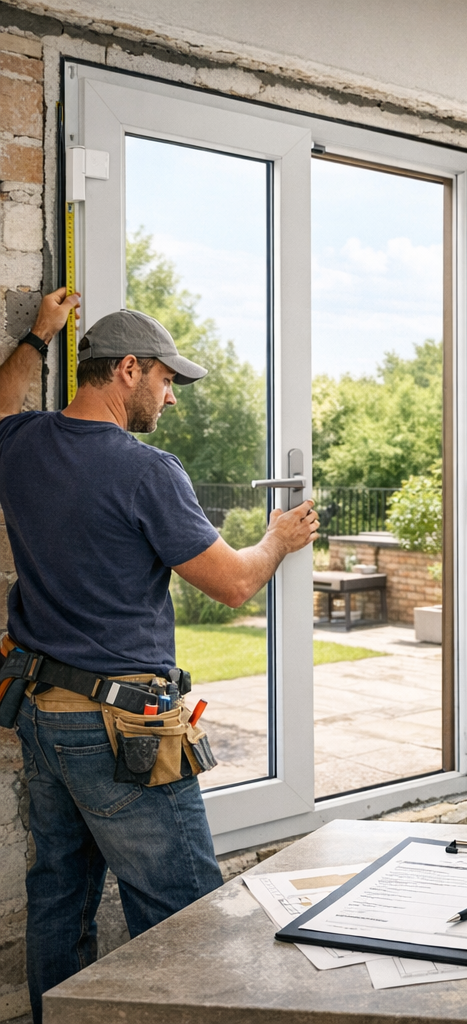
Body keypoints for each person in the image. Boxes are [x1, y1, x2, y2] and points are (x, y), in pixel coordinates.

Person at [0, 289, 319, 1023]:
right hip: (121, 731)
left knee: (58, 898)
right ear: (129, 371)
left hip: (43, 716)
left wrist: (37, 336)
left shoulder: (21, 446)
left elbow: (3, 401)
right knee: (187, 916)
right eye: (166, 379)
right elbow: (235, 582)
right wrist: (278, 538)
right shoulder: (146, 470)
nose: (170, 397)